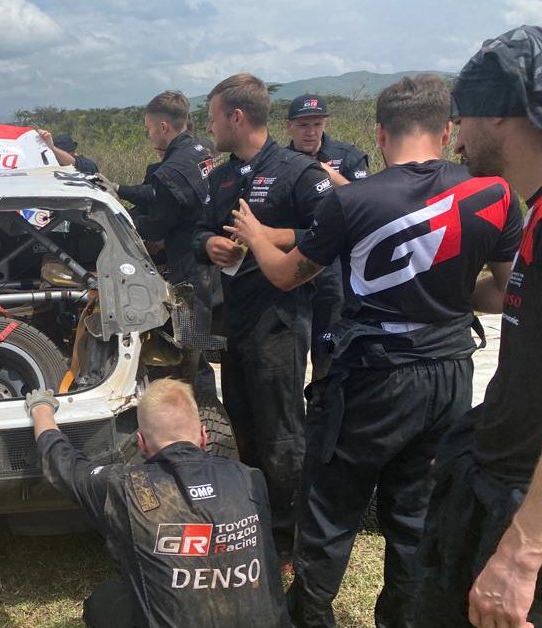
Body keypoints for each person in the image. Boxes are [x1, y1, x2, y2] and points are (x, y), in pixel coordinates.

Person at [226, 74, 522, 627]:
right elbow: (506, 291)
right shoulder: (495, 194)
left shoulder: (351, 200)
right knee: (414, 513)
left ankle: (311, 618)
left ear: (381, 133)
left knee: (330, 507)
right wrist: (447, 293)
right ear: (447, 130)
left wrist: (259, 236)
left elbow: (287, 276)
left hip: (373, 376)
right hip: (450, 374)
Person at [415, 25, 542, 627]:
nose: (457, 140)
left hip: (523, 513)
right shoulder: (533, 212)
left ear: (498, 114)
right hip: (495, 482)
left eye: (462, 118)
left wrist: (523, 551)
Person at [193, 73, 334, 557]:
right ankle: (253, 521)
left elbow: (331, 234)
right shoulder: (220, 177)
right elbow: (199, 231)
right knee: (243, 425)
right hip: (234, 319)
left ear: (237, 117)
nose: (209, 127)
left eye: (213, 117)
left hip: (280, 321)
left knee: (281, 432)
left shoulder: (299, 173)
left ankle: (288, 538)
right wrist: (208, 245)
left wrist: (270, 236)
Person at [26, 379, 289, 627]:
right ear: (204, 435)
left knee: (103, 601)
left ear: (141, 443)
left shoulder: (124, 488)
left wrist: (41, 409)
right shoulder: (249, 478)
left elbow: (65, 466)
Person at [114, 90, 220, 405]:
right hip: (211, 259)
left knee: (190, 345)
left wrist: (126, 221)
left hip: (189, 271)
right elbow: (160, 195)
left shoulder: (170, 171)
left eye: (149, 129)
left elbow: (156, 225)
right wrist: (120, 189)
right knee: (200, 340)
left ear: (163, 127)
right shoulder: (204, 148)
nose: (149, 136)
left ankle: (203, 410)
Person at [285, 94, 371, 379]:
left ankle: (325, 399)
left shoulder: (347, 156)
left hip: (335, 268)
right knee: (290, 347)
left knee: (328, 348)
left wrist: (332, 178)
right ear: (289, 126)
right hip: (292, 262)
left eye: (317, 124)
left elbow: (369, 203)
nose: (310, 132)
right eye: (303, 125)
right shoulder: (280, 161)